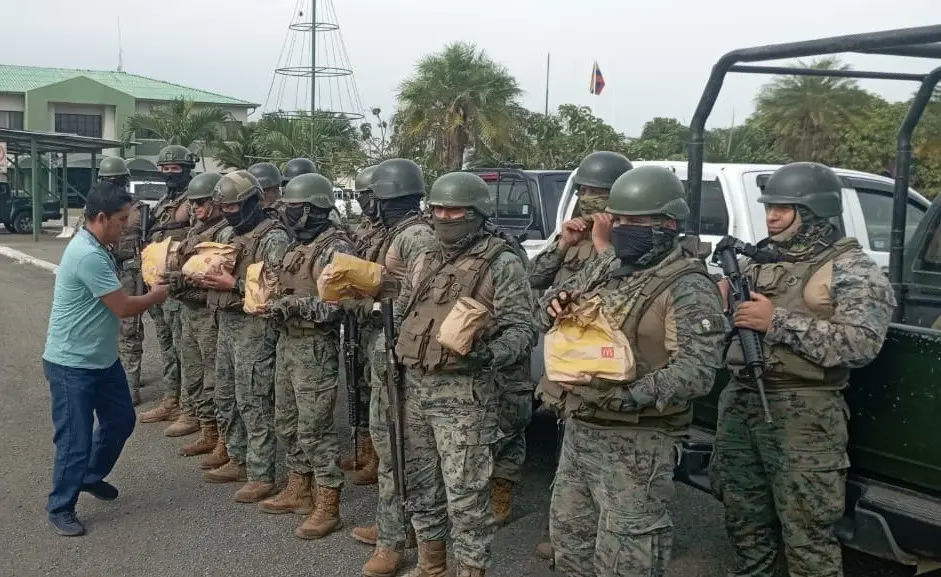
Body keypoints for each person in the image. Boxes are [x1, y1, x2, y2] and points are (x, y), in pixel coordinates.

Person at [534, 165, 726, 577]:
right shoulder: (610, 265)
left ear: (667, 224)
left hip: (638, 441)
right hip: (583, 427)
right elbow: (548, 302)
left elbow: (697, 371)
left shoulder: (687, 284)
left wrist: (626, 395)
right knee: (571, 545)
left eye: (634, 221)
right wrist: (558, 304)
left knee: (627, 558)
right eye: (617, 219)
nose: (621, 228)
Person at [710, 161, 896, 577]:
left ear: (812, 211)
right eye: (770, 206)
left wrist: (775, 321)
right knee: (743, 518)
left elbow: (861, 345)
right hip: (742, 401)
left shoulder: (854, 269)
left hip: (805, 415)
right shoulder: (759, 261)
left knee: (807, 531)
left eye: (784, 208)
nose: (771, 216)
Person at [393, 171, 536, 577]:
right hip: (415, 388)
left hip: (464, 394)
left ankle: (471, 569)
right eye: (436, 208)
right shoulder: (424, 257)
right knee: (421, 485)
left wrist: (487, 355)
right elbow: (404, 310)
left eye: (453, 209)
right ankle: (431, 565)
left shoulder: (501, 262)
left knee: (467, 495)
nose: (443, 216)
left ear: (476, 213)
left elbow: (523, 329)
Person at [43, 180, 170, 536]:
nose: (127, 225)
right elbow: (123, 306)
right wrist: (157, 296)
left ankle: (89, 475)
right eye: (122, 219)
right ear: (101, 218)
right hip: (72, 364)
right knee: (75, 439)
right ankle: (61, 506)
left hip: (99, 359)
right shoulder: (87, 254)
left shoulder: (98, 246)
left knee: (120, 420)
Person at [529, 150, 635, 562]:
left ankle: (609, 544)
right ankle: (568, 536)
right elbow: (534, 278)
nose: (591, 199)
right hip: (567, 362)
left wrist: (604, 244)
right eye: (586, 191)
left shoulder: (630, 242)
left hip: (605, 366)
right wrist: (562, 244)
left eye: (600, 193)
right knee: (568, 460)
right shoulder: (573, 236)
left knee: (614, 473)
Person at [258, 173, 356, 541]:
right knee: (286, 420)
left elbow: (342, 304)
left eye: (295, 208)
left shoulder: (335, 246)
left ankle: (328, 503)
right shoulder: (299, 243)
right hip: (288, 341)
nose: (288, 213)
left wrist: (296, 305)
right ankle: (299, 488)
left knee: (315, 429)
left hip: (315, 346)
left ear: (314, 208)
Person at [350, 158, 435, 577]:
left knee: (401, 449)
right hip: (385, 350)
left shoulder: (416, 236)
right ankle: (394, 528)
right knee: (388, 447)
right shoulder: (395, 233)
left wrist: (371, 304)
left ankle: (397, 540)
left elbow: (419, 300)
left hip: (402, 353)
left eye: (375, 198)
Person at [200, 170, 291, 504]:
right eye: (223, 208)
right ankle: (237, 457)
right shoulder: (227, 231)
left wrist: (232, 285)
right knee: (226, 395)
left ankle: (261, 474)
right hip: (227, 322)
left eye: (235, 208)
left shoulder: (273, 237)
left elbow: (276, 288)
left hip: (255, 327)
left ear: (254, 201)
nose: (229, 214)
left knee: (254, 400)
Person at [163, 171, 231, 458]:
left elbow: (214, 273)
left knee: (215, 377)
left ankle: (224, 441)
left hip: (209, 313)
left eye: (202, 202)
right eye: (193, 203)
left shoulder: (225, 232)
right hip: (190, 310)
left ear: (216, 202)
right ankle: (206, 429)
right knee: (193, 371)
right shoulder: (197, 230)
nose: (196, 208)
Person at [138, 145, 197, 437]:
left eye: (175, 168)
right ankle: (171, 398)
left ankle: (190, 408)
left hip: (180, 288)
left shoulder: (194, 202)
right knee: (166, 346)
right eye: (165, 168)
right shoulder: (164, 202)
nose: (169, 173)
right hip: (158, 284)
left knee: (184, 348)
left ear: (188, 170)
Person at [98, 156, 147, 406]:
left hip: (128, 272)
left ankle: (131, 384)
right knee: (106, 327)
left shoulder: (137, 210)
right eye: (107, 181)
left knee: (129, 328)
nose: (111, 186)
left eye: (115, 181)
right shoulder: (95, 208)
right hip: (104, 272)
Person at [340, 164, 379, 474]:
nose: (364, 202)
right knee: (360, 385)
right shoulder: (369, 229)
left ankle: (377, 456)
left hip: (378, 319)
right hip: (360, 320)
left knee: (378, 393)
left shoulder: (405, 233)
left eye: (367, 196)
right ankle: (366, 450)